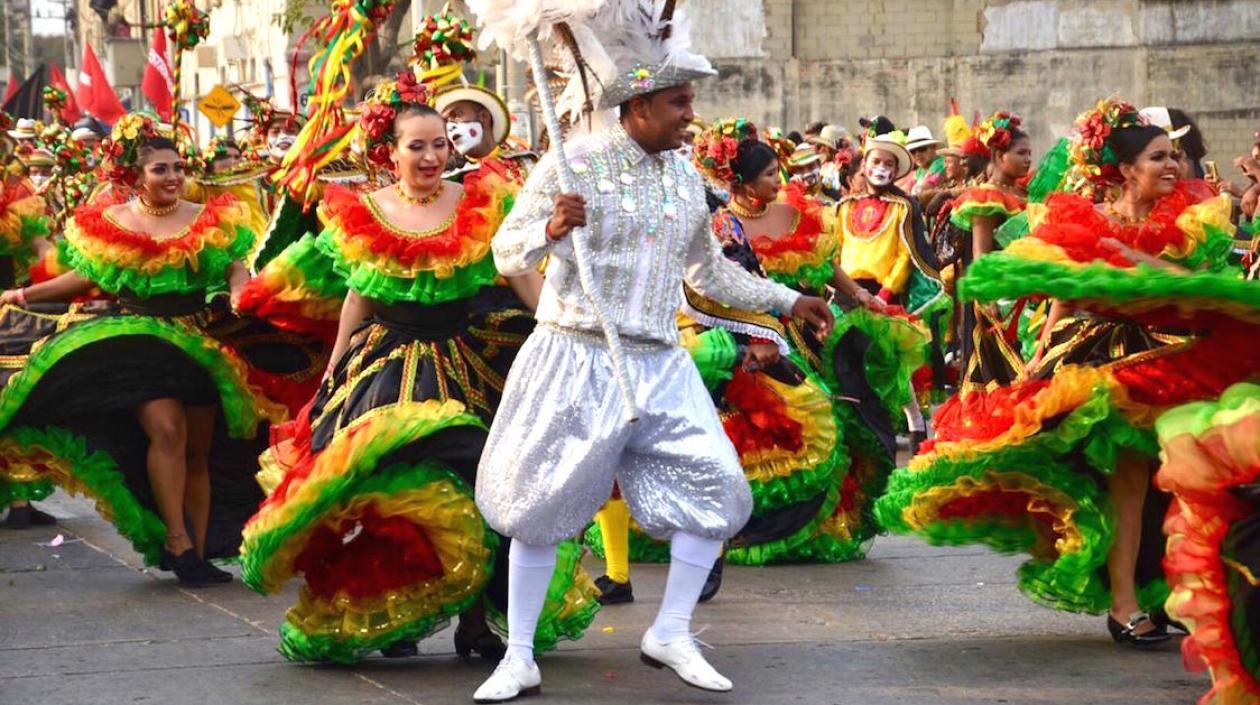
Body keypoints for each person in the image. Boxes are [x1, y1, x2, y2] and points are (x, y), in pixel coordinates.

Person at [470, 3, 834, 700]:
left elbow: (708, 273)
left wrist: (787, 301)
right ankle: (517, 655)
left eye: (689, 101)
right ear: (636, 104)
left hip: (659, 358)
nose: (690, 115)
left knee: (719, 490)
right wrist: (550, 225)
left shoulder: (684, 177)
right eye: (679, 102)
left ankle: (669, 631)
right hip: (574, 352)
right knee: (536, 504)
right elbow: (506, 249)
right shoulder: (571, 162)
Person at [238, 72, 597, 665]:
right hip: (389, 364)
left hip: (473, 357)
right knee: (385, 495)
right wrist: (333, 372)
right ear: (390, 153)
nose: (431, 156)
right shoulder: (362, 213)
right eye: (417, 145)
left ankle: (476, 621)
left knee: (488, 489)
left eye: (440, 144)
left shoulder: (482, 202)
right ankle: (396, 610)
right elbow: (360, 297)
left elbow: (518, 273)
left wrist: (559, 331)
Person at [877, 97, 1260, 647]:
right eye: (1158, 158)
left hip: (1180, 357)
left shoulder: (1189, 219)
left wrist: (1142, 267)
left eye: (1172, 156)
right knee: (1129, 483)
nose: (1172, 167)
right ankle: (1126, 605)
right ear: (1126, 169)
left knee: (1178, 486)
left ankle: (1164, 593)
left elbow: (1194, 282)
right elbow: (1063, 288)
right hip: (1110, 362)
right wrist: (1041, 353)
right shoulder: (1086, 220)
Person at [0, 113, 288, 584]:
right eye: (160, 169)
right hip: (138, 345)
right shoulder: (112, 222)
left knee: (198, 450)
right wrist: (25, 295)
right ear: (136, 176)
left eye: (178, 167)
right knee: (167, 432)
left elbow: (235, 266)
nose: (173, 177)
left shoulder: (207, 218)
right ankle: (175, 537)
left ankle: (195, 549)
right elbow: (87, 277)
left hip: (199, 345)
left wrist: (243, 291)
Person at [833, 135, 947, 452]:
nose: (881, 169)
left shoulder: (903, 207)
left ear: (896, 171)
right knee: (846, 364)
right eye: (876, 162)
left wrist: (884, 292)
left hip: (883, 296)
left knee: (889, 366)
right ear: (864, 166)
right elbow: (836, 251)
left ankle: (914, 425)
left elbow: (905, 255)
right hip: (845, 293)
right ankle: (861, 432)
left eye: (888, 164)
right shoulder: (843, 207)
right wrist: (840, 288)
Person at [941, 111, 1032, 390]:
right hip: (999, 295)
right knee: (1002, 372)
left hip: (1027, 290)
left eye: (1030, 153)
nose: (1028, 159)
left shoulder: (1026, 195)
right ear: (999, 155)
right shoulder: (987, 197)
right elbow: (980, 253)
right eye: (1021, 153)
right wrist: (988, 296)